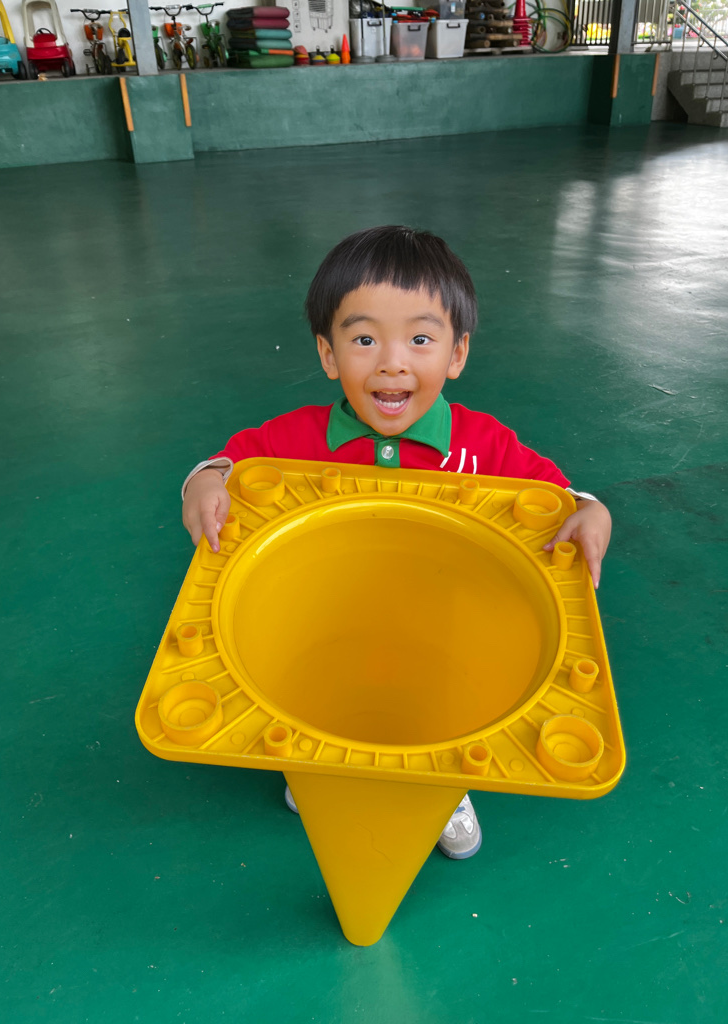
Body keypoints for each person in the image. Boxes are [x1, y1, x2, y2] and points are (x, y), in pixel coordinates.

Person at [181, 225, 612, 860]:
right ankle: (318, 769)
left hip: (443, 630)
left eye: (420, 339)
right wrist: (204, 479)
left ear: (457, 354)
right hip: (331, 618)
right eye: (363, 339)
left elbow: (556, 497)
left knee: (442, 711)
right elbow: (229, 464)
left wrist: (592, 510)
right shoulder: (296, 439)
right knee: (324, 694)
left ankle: (442, 791)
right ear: (328, 354)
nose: (392, 362)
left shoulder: (484, 445)